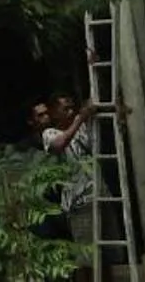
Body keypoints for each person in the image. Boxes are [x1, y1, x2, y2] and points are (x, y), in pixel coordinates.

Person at [44, 91, 101, 276]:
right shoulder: (50, 133)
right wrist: (79, 119)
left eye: (72, 108)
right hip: (79, 201)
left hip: (99, 195)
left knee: (105, 256)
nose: (70, 112)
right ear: (54, 113)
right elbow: (59, 144)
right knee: (86, 259)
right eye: (65, 109)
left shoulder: (82, 127)